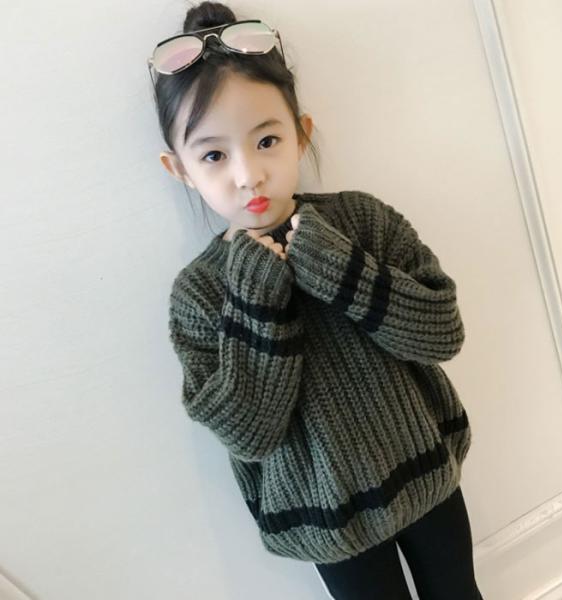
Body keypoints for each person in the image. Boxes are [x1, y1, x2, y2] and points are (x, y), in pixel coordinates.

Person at [149, 2, 484, 598]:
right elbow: (247, 433)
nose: (248, 175)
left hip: (425, 467)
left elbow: (441, 333)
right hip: (324, 514)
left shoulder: (361, 221)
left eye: (267, 140)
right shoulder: (199, 294)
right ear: (179, 169)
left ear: (301, 133)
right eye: (214, 155)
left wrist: (340, 268)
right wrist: (257, 299)